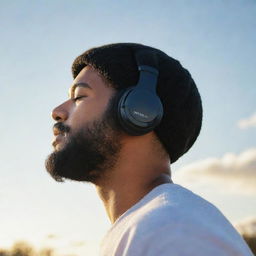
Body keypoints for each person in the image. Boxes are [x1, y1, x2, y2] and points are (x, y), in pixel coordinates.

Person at [45, 43, 253, 256]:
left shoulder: (172, 232)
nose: (57, 112)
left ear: (139, 110)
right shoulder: (152, 228)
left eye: (79, 96)